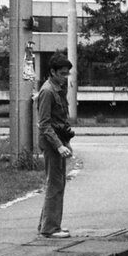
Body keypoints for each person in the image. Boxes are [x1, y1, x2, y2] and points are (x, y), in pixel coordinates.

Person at [37, 54, 75, 239]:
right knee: (55, 184)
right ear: (52, 72)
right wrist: (59, 146)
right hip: (52, 142)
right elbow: (44, 124)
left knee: (58, 183)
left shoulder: (59, 87)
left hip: (60, 138)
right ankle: (50, 228)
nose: (65, 77)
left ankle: (48, 223)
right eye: (62, 73)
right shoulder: (47, 91)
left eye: (67, 74)